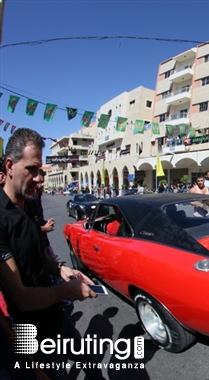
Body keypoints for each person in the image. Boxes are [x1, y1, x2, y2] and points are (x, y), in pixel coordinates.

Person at [0, 128, 102, 379]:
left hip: (56, 316)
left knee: (88, 364)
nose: (38, 178)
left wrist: (59, 269)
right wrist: (68, 290)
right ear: (10, 166)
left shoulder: (31, 201)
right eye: (32, 169)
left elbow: (35, 253)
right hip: (28, 331)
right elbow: (20, 298)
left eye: (40, 171)